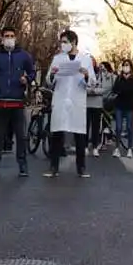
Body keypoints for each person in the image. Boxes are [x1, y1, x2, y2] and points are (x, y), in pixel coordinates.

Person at [0, 26, 35, 177]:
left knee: (21, 136)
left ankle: (23, 166)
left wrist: (27, 79)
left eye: (11, 35)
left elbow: (32, 72)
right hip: (0, 101)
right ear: (2, 38)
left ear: (16, 38)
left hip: (18, 102)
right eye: (6, 36)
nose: (9, 38)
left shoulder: (24, 56)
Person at [45, 29, 95, 178]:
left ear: (73, 42)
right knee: (57, 134)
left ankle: (81, 168)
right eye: (61, 42)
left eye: (65, 41)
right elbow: (49, 80)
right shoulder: (58, 58)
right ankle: (54, 167)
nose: (62, 44)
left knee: (79, 135)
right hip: (61, 99)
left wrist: (86, 75)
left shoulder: (85, 59)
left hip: (77, 100)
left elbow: (92, 82)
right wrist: (53, 74)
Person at [111, 59, 133, 158]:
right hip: (119, 105)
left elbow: (132, 90)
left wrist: (122, 90)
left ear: (131, 67)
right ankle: (117, 149)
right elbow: (115, 89)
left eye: (127, 65)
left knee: (129, 127)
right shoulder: (119, 78)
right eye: (124, 65)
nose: (125, 67)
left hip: (130, 105)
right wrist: (123, 90)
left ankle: (129, 149)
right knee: (118, 127)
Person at [87, 60, 114, 157]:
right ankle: (85, 146)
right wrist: (90, 90)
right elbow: (82, 86)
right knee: (86, 126)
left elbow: (106, 88)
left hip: (98, 104)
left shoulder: (102, 75)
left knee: (96, 127)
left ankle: (95, 147)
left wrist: (95, 91)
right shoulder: (86, 73)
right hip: (87, 103)